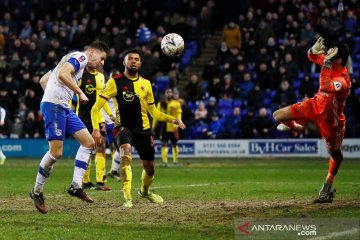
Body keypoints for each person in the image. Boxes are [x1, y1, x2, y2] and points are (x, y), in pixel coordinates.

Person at [91, 48, 186, 208]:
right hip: (123, 127)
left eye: (136, 59)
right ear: (124, 62)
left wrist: (173, 119)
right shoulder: (114, 82)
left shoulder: (146, 84)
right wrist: (95, 127)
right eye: (130, 59)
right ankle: (127, 197)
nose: (133, 61)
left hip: (144, 129)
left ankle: (145, 191)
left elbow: (154, 112)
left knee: (149, 168)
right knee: (125, 154)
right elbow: (96, 108)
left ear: (140, 63)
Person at [29, 41, 109, 214]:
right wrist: (79, 93)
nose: (102, 63)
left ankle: (76, 185)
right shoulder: (80, 57)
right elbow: (63, 75)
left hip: (63, 106)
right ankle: (36, 191)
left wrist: (52, 93)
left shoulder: (68, 59)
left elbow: (44, 80)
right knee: (56, 153)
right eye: (102, 58)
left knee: (89, 143)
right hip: (55, 106)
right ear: (92, 52)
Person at [273, 37, 350, 203]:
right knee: (277, 115)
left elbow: (326, 87)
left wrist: (326, 62)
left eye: (331, 52)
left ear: (338, 59)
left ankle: (327, 185)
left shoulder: (343, 80)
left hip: (331, 122)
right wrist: (311, 50)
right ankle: (297, 127)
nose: (327, 53)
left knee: (336, 155)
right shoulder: (330, 62)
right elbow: (312, 56)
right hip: (314, 106)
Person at [76, 61, 114, 191]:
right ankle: (85, 181)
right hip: (84, 117)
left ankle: (100, 182)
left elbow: (101, 100)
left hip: (98, 117)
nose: (100, 62)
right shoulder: (81, 76)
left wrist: (110, 114)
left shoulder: (101, 76)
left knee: (101, 147)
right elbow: (72, 93)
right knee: (87, 148)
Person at [153, 88, 182, 167]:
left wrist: (177, 125)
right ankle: (165, 162)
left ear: (172, 94)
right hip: (164, 126)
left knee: (175, 143)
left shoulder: (176, 103)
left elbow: (179, 115)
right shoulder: (161, 104)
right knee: (164, 144)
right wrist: (153, 127)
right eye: (167, 92)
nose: (169, 93)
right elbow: (156, 116)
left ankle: (175, 162)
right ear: (165, 94)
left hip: (173, 127)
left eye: (170, 92)